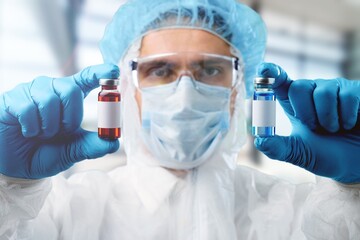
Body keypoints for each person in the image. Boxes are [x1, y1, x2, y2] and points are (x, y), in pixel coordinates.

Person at [1, 0, 360, 239]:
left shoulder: (307, 217)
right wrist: (7, 183)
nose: (185, 92)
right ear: (127, 87)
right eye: (160, 70)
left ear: (239, 88)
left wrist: (355, 190)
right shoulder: (62, 214)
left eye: (210, 69)